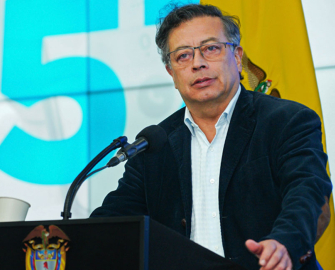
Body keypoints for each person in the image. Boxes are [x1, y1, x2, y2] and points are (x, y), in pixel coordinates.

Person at [90, 4, 332, 270]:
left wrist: (283, 244)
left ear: (237, 57)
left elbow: (307, 193)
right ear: (172, 74)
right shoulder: (155, 144)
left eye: (211, 48)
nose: (197, 63)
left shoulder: (287, 121)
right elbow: (112, 223)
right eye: (182, 56)